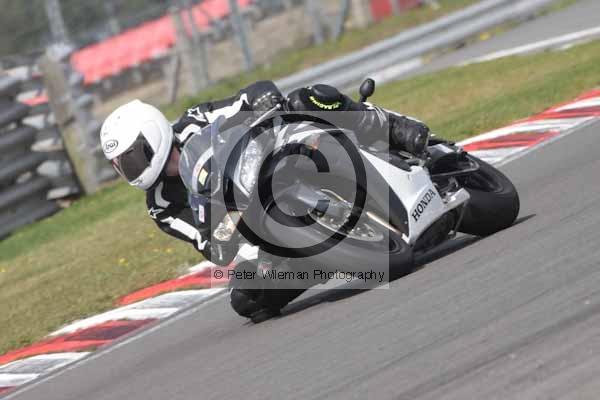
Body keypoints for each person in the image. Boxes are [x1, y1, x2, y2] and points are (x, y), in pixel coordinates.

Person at [100, 80, 430, 320]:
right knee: (245, 295)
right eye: (120, 166)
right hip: (256, 220)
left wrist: (263, 98)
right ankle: (326, 256)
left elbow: (248, 96)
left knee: (305, 98)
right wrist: (227, 226)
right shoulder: (160, 206)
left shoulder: (195, 119)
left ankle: (393, 128)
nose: (130, 171)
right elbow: (209, 244)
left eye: (132, 159)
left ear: (152, 137)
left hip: (280, 155)